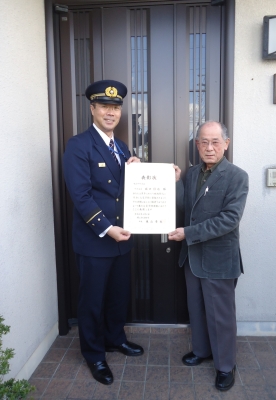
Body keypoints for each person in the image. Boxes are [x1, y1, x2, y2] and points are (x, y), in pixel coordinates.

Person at [63, 80, 143, 386]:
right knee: (92, 301)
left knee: (117, 296)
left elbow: (127, 189)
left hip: (122, 239)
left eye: (116, 107)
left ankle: (115, 339)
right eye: (105, 106)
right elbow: (81, 196)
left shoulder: (121, 147)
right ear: (93, 108)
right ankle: (94, 354)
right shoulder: (79, 145)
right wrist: (106, 229)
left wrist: (155, 172)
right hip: (97, 239)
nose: (111, 112)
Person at [169, 121, 248, 392]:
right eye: (203, 141)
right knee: (198, 309)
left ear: (226, 144)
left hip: (218, 259)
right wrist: (175, 182)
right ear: (197, 145)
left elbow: (229, 219)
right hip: (192, 258)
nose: (209, 147)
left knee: (221, 315)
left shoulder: (237, 176)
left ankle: (226, 365)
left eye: (215, 141)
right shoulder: (191, 174)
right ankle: (202, 350)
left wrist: (188, 233)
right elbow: (183, 206)